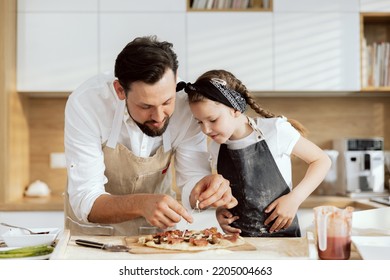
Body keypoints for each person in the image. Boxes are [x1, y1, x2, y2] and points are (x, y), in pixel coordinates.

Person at [64, 37, 237, 236]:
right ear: (120, 90)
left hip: (156, 235)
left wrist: (205, 189)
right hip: (92, 238)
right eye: (145, 106)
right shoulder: (87, 103)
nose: (159, 116)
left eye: (167, 102)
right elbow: (85, 198)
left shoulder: (186, 104)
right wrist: (141, 203)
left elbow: (191, 178)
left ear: (175, 80)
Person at [178, 69, 331, 237]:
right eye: (199, 122)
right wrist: (221, 210)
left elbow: (322, 160)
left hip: (282, 240)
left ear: (235, 109)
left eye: (213, 120)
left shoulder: (275, 130)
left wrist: (295, 199)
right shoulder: (216, 147)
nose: (205, 129)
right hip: (240, 244)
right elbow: (230, 194)